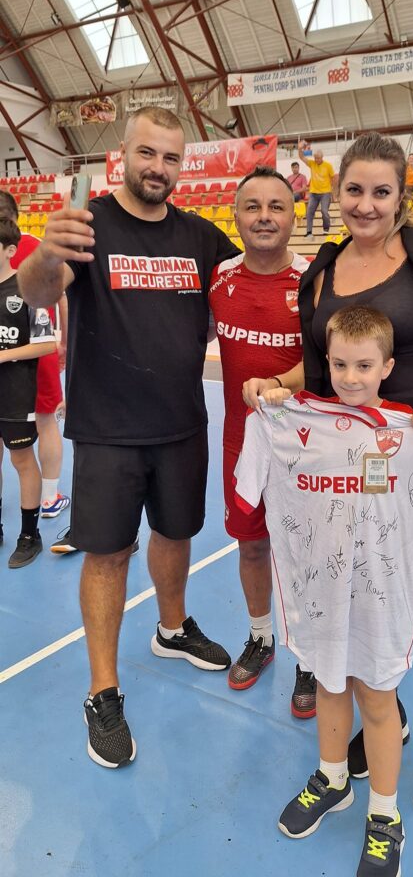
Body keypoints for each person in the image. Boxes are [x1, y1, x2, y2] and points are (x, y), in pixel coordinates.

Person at [243, 131, 413, 816]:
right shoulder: (324, 271)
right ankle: (392, 714)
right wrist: (276, 384)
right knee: (358, 597)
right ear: (338, 194)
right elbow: (320, 362)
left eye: (380, 191)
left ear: (401, 195)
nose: (366, 204)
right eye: (354, 190)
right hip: (341, 466)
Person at [18, 106, 239, 768]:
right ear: (123, 154)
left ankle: (171, 629)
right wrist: (47, 253)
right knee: (108, 555)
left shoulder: (199, 236)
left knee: (176, 534)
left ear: (182, 165)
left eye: (171, 157)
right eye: (148, 153)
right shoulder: (88, 226)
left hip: (181, 424)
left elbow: (255, 284)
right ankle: (103, 691)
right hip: (109, 430)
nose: (158, 168)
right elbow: (38, 293)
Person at [235, 306, 413, 876]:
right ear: (325, 361)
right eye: (339, 364)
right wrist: (270, 399)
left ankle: (385, 817)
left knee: (377, 698)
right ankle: (334, 777)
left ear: (387, 367)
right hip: (319, 593)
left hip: (382, 599)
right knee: (328, 683)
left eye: (364, 366)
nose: (349, 377)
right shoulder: (283, 421)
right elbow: (248, 491)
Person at [208, 165, 316, 715]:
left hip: (306, 447)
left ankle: (310, 656)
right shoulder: (219, 279)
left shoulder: (314, 280)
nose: (265, 217)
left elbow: (329, 359)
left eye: (277, 206)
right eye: (253, 206)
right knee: (251, 546)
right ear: (236, 216)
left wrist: (278, 383)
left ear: (294, 215)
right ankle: (261, 637)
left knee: (305, 553)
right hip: (241, 443)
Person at [0, 192, 71, 529]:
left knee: (22, 429)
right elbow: (61, 297)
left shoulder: (30, 247)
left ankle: (39, 502)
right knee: (45, 421)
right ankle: (49, 497)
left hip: (24, 347)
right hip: (36, 346)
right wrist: (64, 341)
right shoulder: (37, 245)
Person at [0, 217, 56, 568]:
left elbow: (47, 343)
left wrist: (4, 355)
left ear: (10, 250)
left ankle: (29, 535)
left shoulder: (26, 290)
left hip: (15, 394)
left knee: (21, 460)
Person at [298, 141, 336, 239]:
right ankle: (309, 231)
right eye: (315, 158)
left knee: (324, 211)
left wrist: (333, 193)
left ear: (322, 157)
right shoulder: (312, 164)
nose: (316, 160)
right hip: (314, 193)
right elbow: (302, 157)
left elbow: (333, 178)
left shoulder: (328, 166)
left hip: (325, 193)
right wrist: (300, 149)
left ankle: (326, 228)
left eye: (318, 158)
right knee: (309, 212)